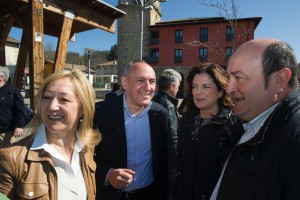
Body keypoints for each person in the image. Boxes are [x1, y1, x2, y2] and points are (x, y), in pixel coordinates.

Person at [210, 38, 300, 200]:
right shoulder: (243, 120)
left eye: (239, 77)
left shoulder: (294, 142)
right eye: (229, 77)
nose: (229, 88)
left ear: (279, 80)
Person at [0, 69, 101, 199]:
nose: (52, 106)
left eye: (64, 99)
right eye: (46, 97)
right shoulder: (12, 159)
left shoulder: (87, 148)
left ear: (83, 107)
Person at [94, 60, 169, 200]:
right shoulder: (100, 113)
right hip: (111, 195)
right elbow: (85, 156)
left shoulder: (160, 114)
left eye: (152, 81)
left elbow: (164, 158)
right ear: (125, 82)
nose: (147, 87)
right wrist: (107, 174)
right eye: (141, 80)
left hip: (149, 194)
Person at [174, 63, 238, 200]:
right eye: (194, 86)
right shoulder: (186, 120)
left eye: (206, 87)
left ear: (221, 91)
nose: (198, 92)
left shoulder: (232, 125)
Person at [152, 69, 181, 198]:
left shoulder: (153, 102)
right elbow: (172, 137)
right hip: (165, 164)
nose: (178, 90)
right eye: (178, 86)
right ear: (171, 86)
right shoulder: (168, 106)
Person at [0, 66, 26, 148]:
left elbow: (21, 109)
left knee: (4, 158)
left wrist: (19, 126)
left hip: (5, 133)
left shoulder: (12, 91)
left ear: (1, 77)